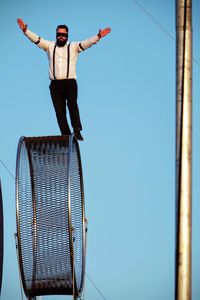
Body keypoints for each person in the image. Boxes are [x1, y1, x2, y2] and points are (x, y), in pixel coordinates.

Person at [17, 18, 111, 141]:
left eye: (63, 34)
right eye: (59, 34)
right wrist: (26, 31)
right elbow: (36, 39)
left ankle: (77, 130)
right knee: (59, 112)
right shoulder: (50, 46)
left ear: (67, 35)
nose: (61, 37)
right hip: (55, 85)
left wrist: (98, 37)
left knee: (72, 104)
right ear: (56, 35)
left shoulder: (73, 47)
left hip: (70, 83)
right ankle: (66, 136)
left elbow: (87, 43)